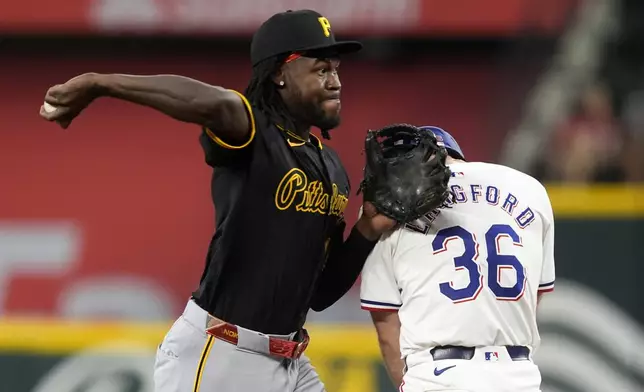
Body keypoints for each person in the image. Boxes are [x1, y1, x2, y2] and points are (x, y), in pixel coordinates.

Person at [39, 9, 396, 392]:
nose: (335, 81)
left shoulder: (329, 165)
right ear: (279, 73)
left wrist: (366, 229)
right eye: (321, 69)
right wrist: (100, 83)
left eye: (336, 69)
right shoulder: (253, 131)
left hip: (289, 362)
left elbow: (321, 293)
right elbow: (214, 103)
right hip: (223, 355)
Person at [360, 126, 555, 392]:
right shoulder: (531, 189)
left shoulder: (389, 206)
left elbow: (386, 326)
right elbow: (535, 296)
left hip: (439, 375)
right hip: (519, 373)